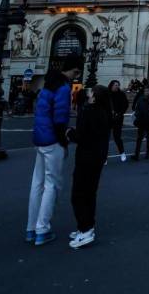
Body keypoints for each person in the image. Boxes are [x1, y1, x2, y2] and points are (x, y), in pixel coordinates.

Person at [24, 67, 72, 247]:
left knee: (37, 183)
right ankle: (42, 229)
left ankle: (31, 228)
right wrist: (64, 142)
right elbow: (60, 119)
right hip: (53, 141)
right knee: (52, 184)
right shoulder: (63, 89)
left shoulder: (45, 90)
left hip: (40, 139)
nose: (75, 77)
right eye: (75, 73)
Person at [66, 85, 112, 249]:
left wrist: (69, 132)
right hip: (97, 157)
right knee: (90, 193)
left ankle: (85, 230)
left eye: (91, 91)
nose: (88, 92)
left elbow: (81, 136)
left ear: (95, 96)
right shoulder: (105, 112)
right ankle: (86, 227)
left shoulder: (90, 111)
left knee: (79, 194)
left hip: (87, 157)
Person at [106, 80, 129, 162]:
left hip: (118, 119)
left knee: (117, 137)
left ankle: (122, 153)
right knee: (105, 138)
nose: (117, 86)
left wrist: (120, 113)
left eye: (118, 85)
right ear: (111, 85)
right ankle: (104, 156)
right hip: (108, 119)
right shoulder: (106, 94)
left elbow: (126, 105)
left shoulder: (121, 94)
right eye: (115, 85)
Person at [132, 86, 149, 160]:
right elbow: (137, 108)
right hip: (141, 120)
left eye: (148, 90)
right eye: (145, 91)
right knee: (139, 138)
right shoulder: (140, 99)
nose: (146, 92)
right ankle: (136, 154)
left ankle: (147, 153)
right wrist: (137, 115)